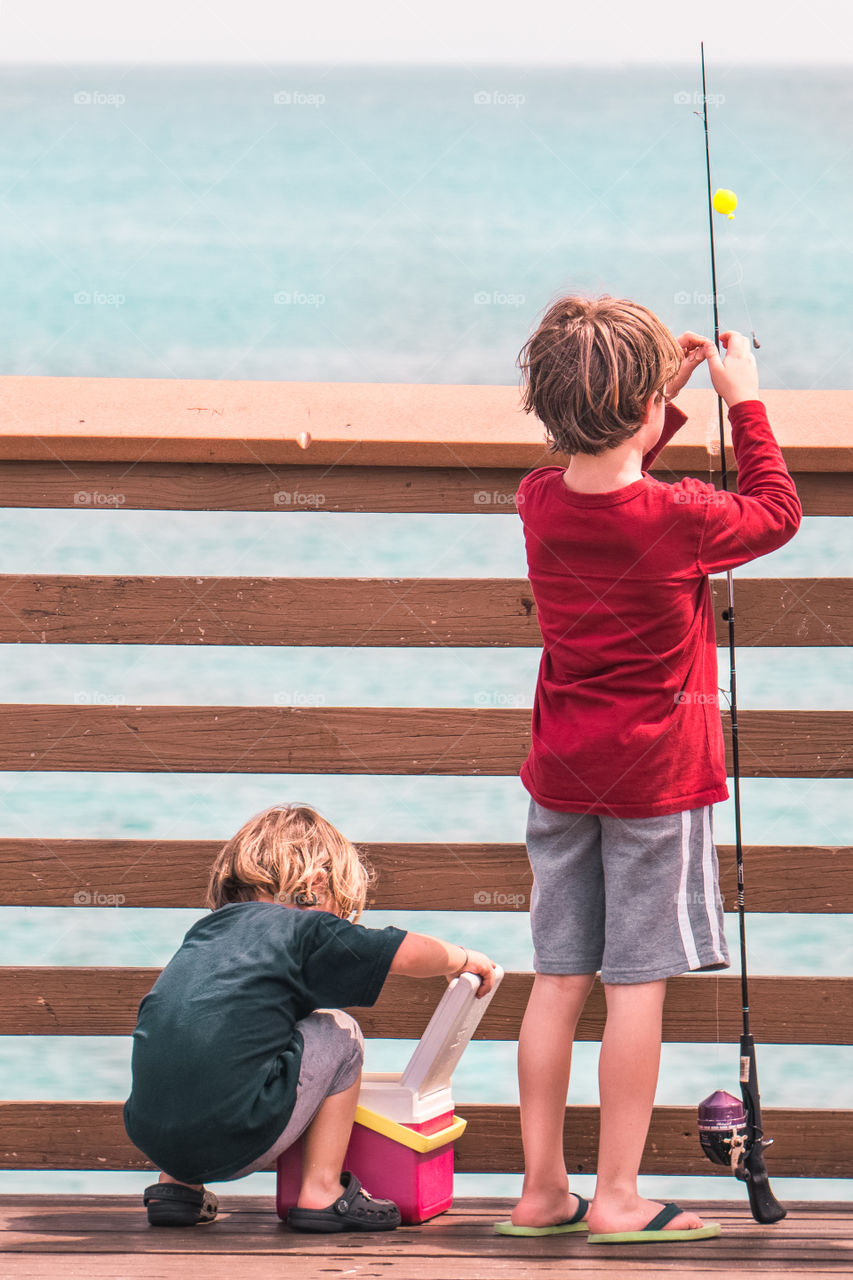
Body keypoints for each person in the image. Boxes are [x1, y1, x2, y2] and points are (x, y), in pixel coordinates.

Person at [498, 296, 801, 1245]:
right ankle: (618, 1195)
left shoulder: (535, 499)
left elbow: (606, 478)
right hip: (654, 787)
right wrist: (740, 399)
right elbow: (777, 513)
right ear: (637, 414)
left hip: (559, 778)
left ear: (548, 414)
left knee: (558, 977)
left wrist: (655, 398)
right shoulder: (682, 519)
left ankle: (541, 1189)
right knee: (636, 984)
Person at [124, 801, 497, 1233]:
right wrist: (464, 958)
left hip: (151, 1131)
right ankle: (322, 1192)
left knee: (212, 1037)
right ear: (316, 888)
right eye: (341, 909)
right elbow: (404, 951)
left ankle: (177, 1186)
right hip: (236, 1133)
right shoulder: (304, 928)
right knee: (341, 1032)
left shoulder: (206, 935)